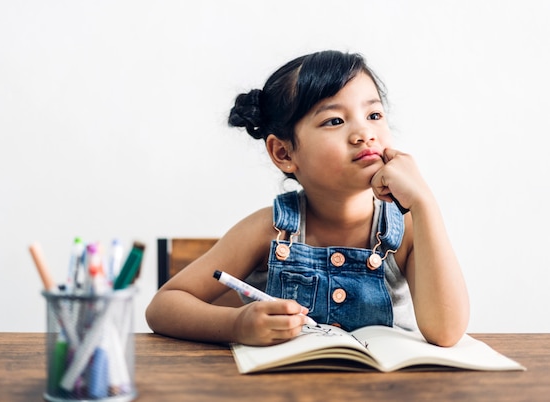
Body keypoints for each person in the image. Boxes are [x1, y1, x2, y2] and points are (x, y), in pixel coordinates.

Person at [146, 50, 469, 347]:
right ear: (283, 152)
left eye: (373, 115)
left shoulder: (407, 229)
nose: (364, 133)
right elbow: (164, 305)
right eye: (335, 121)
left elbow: (447, 332)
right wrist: (237, 323)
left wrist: (424, 203)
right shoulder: (271, 230)